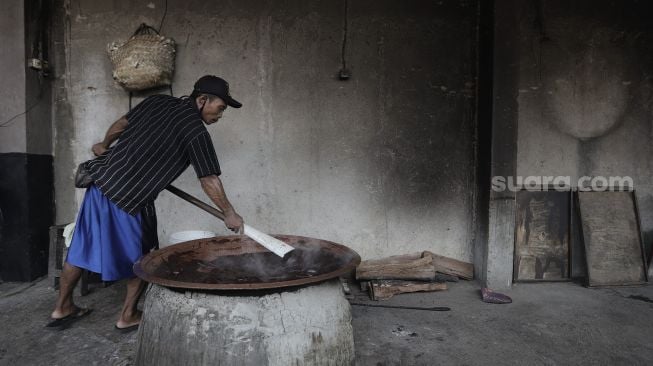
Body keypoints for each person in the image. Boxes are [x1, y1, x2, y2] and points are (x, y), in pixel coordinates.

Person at [47, 75, 244, 331]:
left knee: (82, 245)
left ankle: (62, 308)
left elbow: (121, 124)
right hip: (130, 198)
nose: (220, 115)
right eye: (220, 108)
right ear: (202, 100)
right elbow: (208, 178)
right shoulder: (196, 132)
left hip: (100, 183)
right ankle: (127, 316)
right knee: (144, 257)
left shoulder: (157, 102)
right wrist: (229, 213)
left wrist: (104, 145)